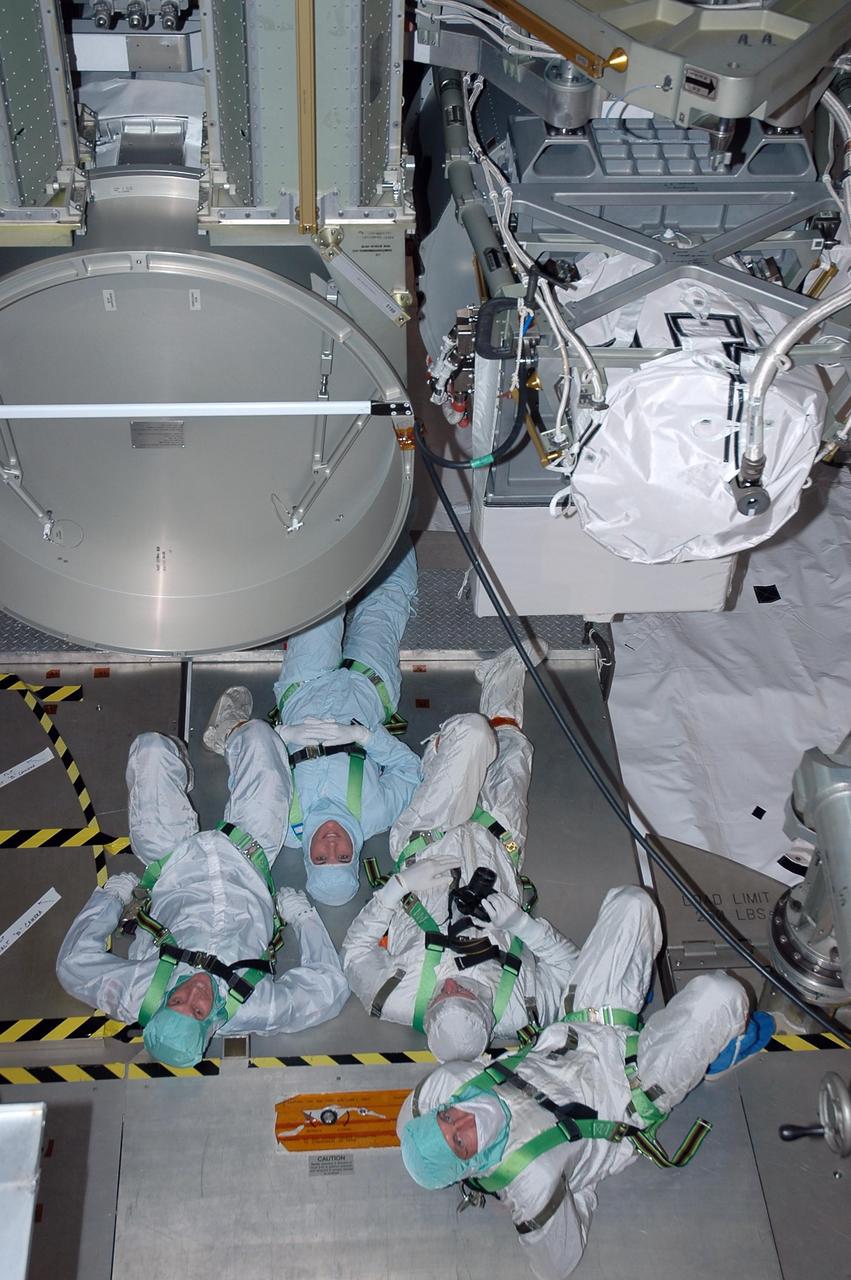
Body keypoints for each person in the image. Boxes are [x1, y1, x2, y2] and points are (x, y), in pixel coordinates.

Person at [397, 885, 774, 1280]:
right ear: (469, 1164)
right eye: (460, 1141)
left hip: (585, 1026)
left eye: (447, 1119)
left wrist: (423, 1144)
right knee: (724, 994)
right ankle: (709, 1059)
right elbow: (556, 1265)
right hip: (635, 1087)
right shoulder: (532, 1178)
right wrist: (580, 1180)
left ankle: (635, 1000)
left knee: (633, 903)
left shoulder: (456, 1082)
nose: (464, 1121)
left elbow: (408, 1119)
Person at [56, 720, 349, 1068]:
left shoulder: (138, 993)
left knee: (150, 747)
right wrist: (303, 917)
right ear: (211, 1025)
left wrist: (111, 900)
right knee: (258, 736)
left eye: (177, 1001)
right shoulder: (253, 1006)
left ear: (163, 1004)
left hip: (171, 860)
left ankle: (179, 763)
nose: (195, 991)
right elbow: (329, 989)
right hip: (248, 854)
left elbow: (72, 965)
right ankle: (232, 733)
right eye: (198, 1010)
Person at [342, 641, 582, 1059]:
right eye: (463, 992)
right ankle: (500, 673)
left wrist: (397, 888)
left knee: (473, 733)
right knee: (513, 750)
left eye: (442, 994)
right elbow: (574, 971)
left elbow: (355, 952)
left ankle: (437, 758)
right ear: (486, 1016)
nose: (450, 983)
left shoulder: (392, 999)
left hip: (429, 836)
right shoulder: (520, 1011)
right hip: (498, 848)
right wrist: (521, 926)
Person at [204, 539, 421, 907]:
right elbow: (410, 771)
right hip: (370, 688)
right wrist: (364, 736)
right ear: (355, 858)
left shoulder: (284, 826)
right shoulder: (374, 815)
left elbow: (247, 776)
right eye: (342, 857)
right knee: (387, 603)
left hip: (305, 689)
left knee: (320, 598)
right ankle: (397, 520)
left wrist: (281, 737)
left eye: (321, 857)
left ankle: (331, 521)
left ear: (308, 858)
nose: (332, 844)